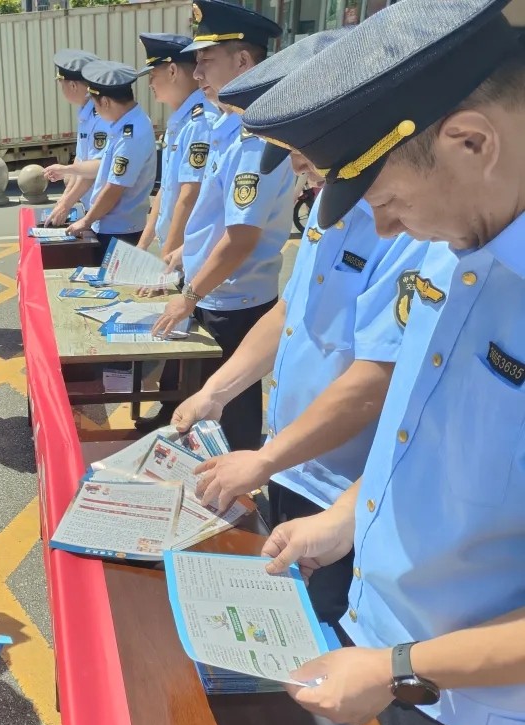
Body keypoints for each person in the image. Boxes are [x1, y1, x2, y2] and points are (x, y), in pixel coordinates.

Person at [243, 1, 525, 725]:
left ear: (473, 141)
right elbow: (423, 440)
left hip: (477, 723)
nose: (378, 223)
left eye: (385, 194)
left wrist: (401, 669)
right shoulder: (460, 244)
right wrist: (346, 518)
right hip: (372, 658)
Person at [171, 28, 439, 623]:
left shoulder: (408, 219)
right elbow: (290, 312)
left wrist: (265, 459)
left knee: (327, 645)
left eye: (300, 153)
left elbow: (379, 373)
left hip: (347, 486)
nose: (295, 170)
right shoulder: (328, 198)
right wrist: (214, 394)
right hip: (294, 464)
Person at [138, 0, 294, 452]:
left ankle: (237, 503)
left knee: (232, 415)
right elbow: (211, 216)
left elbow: (240, 238)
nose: (198, 74)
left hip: (235, 299)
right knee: (208, 408)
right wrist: (183, 256)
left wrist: (187, 297)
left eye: (206, 62)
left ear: (244, 62)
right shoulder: (229, 126)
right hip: (213, 288)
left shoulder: (255, 137)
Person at [62, 60, 158, 262]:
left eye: (95, 105)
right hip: (112, 224)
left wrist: (86, 221)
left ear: (105, 102)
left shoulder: (130, 134)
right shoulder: (126, 124)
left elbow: (115, 187)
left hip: (120, 229)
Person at [135, 33, 217, 256]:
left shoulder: (200, 122)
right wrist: (142, 248)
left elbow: (189, 195)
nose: (150, 83)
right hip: (175, 255)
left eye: (152, 75)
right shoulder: (181, 121)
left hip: (189, 257)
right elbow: (168, 188)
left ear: (172, 71)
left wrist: (164, 267)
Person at [43, 49, 105, 227]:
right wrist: (63, 200)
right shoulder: (86, 114)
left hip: (106, 213)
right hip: (93, 209)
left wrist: (65, 204)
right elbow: (81, 164)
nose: (61, 89)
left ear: (73, 86)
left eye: (61, 83)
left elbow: (94, 171)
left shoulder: (100, 116)